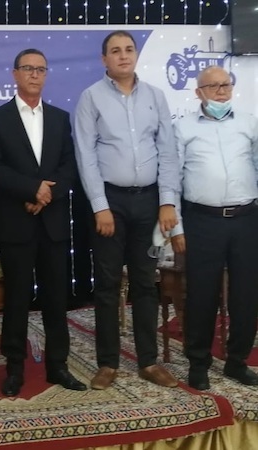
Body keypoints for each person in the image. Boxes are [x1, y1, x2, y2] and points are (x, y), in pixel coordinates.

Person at [74, 30, 180, 390]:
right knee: (107, 284)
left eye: (129, 49)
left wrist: (167, 201)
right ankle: (108, 363)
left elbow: (167, 152)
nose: (123, 55)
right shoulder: (91, 98)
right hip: (110, 203)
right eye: (115, 51)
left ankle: (148, 362)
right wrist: (100, 206)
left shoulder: (155, 96)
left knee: (146, 283)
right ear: (104, 59)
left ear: (135, 55)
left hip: (149, 202)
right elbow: (86, 156)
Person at [0, 49, 86, 396]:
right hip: (16, 223)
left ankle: (58, 366)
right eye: (28, 69)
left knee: (56, 298)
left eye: (41, 69)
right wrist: (31, 190)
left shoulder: (59, 118)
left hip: (53, 223)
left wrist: (46, 195)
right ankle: (14, 368)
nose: (35, 75)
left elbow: (69, 166)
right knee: (16, 300)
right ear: (15, 74)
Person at [171, 66, 258, 391]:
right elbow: (173, 178)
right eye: (214, 86)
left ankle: (237, 361)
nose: (222, 92)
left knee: (247, 295)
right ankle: (198, 362)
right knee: (201, 295)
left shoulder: (249, 123)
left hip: (246, 219)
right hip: (202, 221)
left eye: (226, 85)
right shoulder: (182, 127)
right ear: (199, 93)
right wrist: (176, 226)